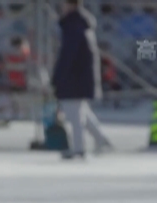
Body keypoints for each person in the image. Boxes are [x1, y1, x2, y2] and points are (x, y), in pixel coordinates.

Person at [51, 0, 112, 159]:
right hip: (80, 75)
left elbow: (67, 56)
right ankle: (101, 140)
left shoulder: (73, 25)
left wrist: (57, 77)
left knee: (74, 113)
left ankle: (79, 148)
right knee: (80, 111)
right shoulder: (79, 23)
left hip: (74, 76)